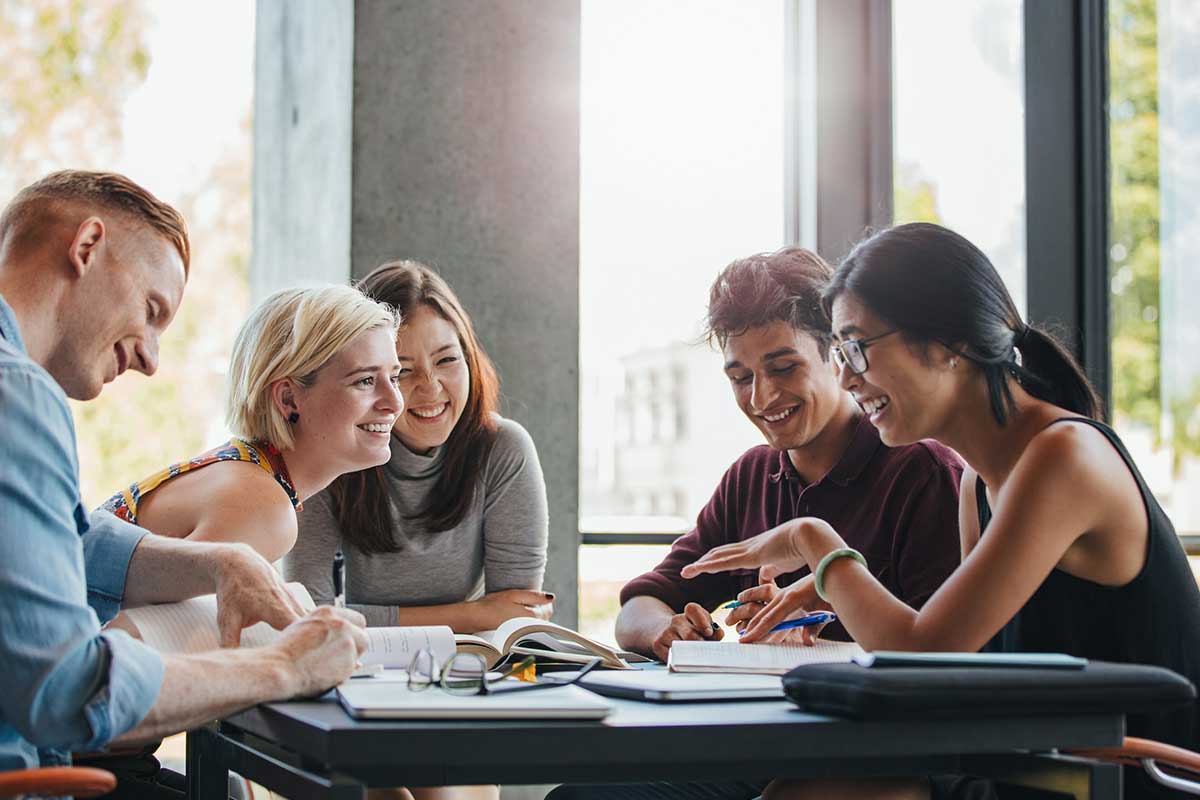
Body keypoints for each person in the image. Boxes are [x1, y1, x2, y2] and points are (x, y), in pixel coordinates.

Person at [682, 223, 1200, 800]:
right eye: (839, 351)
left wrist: (816, 543)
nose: (848, 377)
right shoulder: (977, 482)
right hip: (1039, 769)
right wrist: (831, 596)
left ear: (948, 343)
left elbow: (922, 655)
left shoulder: (1063, 458)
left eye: (857, 347)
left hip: (1128, 780)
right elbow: (950, 672)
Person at [549, 247, 963, 800]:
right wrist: (667, 634)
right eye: (741, 377)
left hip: (882, 756)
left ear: (837, 357)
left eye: (783, 367)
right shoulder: (751, 475)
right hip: (759, 749)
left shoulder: (921, 472)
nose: (762, 397)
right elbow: (637, 608)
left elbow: (944, 664)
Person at [0, 170, 367, 789]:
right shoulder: (20, 394)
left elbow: (62, 538)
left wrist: (220, 563)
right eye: (151, 310)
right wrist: (284, 667)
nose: (149, 357)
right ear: (86, 247)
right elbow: (68, 691)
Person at [285, 261, 550, 800]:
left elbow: (514, 626)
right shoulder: (331, 451)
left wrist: (478, 624)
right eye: (402, 370)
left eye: (447, 360)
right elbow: (307, 618)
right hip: (351, 681)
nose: (429, 389)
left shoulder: (503, 450)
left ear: (470, 357)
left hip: (463, 682)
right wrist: (471, 615)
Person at [99, 283, 405, 565]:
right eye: (365, 381)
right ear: (288, 399)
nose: (395, 402)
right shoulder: (262, 508)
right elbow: (144, 623)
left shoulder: (250, 473)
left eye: (394, 377)